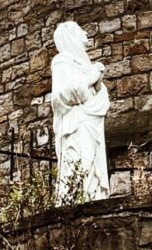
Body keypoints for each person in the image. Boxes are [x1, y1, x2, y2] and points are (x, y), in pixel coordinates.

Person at [50, 21, 110, 204]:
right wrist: (91, 78)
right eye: (79, 30)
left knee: (92, 161)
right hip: (75, 124)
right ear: (71, 36)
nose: (85, 32)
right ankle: (77, 201)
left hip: (91, 122)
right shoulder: (62, 61)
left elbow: (97, 97)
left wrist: (99, 84)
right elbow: (60, 95)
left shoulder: (84, 63)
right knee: (80, 161)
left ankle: (93, 198)